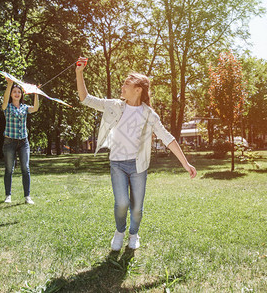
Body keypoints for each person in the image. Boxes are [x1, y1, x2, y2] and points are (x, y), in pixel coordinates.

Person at [75, 57, 197, 250]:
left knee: (137, 209)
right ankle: (120, 231)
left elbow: (167, 138)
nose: (122, 86)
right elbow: (86, 99)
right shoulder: (115, 105)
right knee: (122, 203)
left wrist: (185, 163)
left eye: (126, 83)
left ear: (138, 89)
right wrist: (79, 73)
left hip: (138, 166)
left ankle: (133, 234)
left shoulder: (149, 114)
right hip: (117, 163)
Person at [1, 78, 39, 204]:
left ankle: (27, 196)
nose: (17, 94)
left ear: (22, 94)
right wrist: (9, 85)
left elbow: (36, 108)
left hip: (23, 143)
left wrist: (36, 93)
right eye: (14, 92)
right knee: (9, 169)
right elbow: (4, 100)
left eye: (19, 92)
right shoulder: (7, 107)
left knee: (25, 168)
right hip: (9, 142)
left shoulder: (25, 107)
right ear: (11, 94)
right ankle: (8, 195)